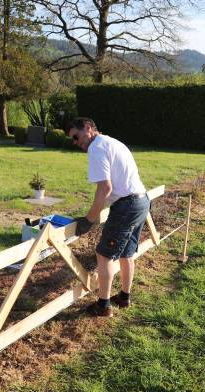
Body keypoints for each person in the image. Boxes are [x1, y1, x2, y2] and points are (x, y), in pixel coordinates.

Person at [68, 117, 150, 317]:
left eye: (76, 137)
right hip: (142, 201)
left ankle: (103, 306)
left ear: (88, 128)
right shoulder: (112, 142)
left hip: (127, 205)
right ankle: (124, 297)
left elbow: (105, 188)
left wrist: (89, 219)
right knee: (126, 253)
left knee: (104, 255)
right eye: (72, 140)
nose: (76, 143)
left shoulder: (96, 148)